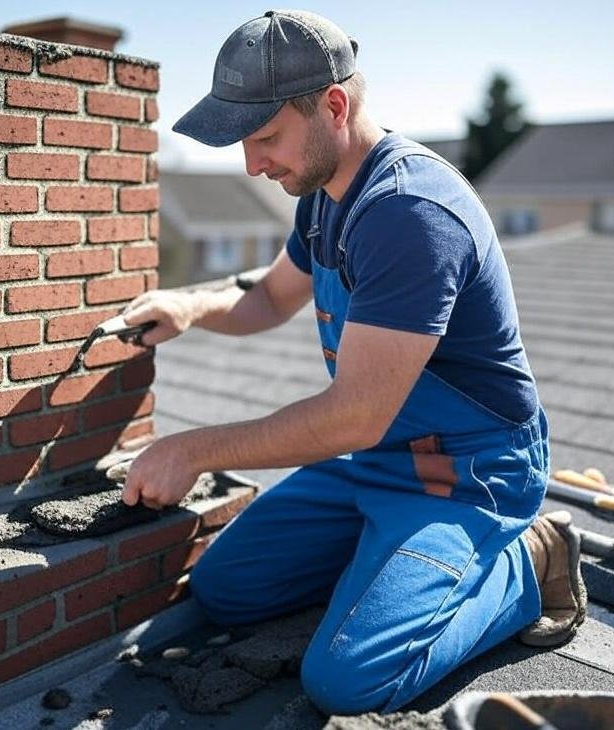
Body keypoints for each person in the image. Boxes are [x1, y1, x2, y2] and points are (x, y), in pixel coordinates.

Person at [118, 9, 587, 715]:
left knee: (346, 681)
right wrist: (187, 306)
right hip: (376, 460)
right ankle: (392, 568)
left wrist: (195, 450)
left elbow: (356, 415)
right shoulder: (324, 197)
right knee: (226, 591)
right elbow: (269, 299)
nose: (252, 164)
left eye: (266, 137)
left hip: (462, 475)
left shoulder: (410, 214)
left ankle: (530, 559)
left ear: (333, 105)